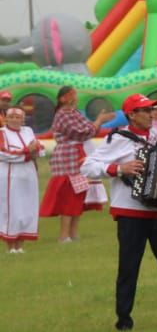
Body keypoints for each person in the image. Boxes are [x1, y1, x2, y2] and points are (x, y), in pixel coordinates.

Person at [82, 93, 157, 331]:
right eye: (145, 111)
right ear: (132, 115)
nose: (151, 114)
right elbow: (87, 166)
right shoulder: (118, 139)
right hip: (130, 212)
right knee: (129, 266)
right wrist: (118, 168)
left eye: (151, 110)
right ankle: (124, 319)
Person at [38, 86, 113, 242]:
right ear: (63, 98)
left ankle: (73, 233)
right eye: (71, 94)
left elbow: (89, 130)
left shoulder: (74, 113)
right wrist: (99, 121)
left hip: (78, 155)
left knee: (78, 194)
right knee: (68, 195)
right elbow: (80, 131)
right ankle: (64, 234)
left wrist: (96, 123)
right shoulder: (62, 115)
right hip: (68, 158)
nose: (75, 97)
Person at [2, 106, 43, 253]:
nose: (14, 120)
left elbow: (40, 148)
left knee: (27, 207)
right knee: (12, 208)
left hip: (29, 174)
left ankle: (20, 245)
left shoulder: (28, 131)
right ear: (6, 118)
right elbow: (4, 154)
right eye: (11, 117)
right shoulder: (2, 133)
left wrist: (34, 151)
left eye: (18, 117)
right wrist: (27, 152)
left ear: (23, 119)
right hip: (10, 176)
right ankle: (11, 245)